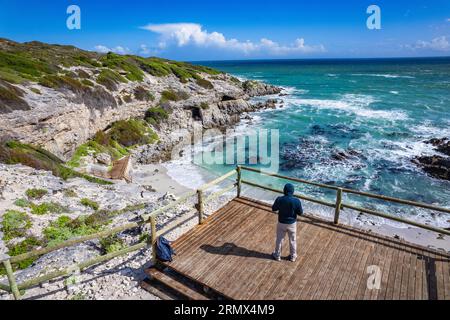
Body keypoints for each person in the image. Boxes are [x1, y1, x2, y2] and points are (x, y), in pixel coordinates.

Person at [271, 183, 303, 262]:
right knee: (293, 240)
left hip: (281, 222)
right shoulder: (296, 201)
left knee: (279, 239)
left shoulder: (279, 199)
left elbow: (273, 208)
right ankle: (293, 256)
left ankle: (277, 255)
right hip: (292, 223)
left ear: (284, 191)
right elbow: (300, 213)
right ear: (293, 191)